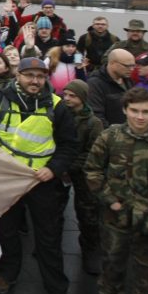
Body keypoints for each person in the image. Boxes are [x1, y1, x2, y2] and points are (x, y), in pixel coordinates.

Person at [0, 56, 77, 294]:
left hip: (40, 181)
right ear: (18, 76)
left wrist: (53, 169)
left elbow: (69, 145)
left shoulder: (57, 106)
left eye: (40, 76)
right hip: (7, 179)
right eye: (30, 75)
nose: (35, 81)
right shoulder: (0, 100)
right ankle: (8, 274)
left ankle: (56, 288)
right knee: (8, 230)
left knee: (48, 236)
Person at [85, 87, 148, 294]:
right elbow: (93, 171)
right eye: (134, 110)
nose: (140, 117)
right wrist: (111, 201)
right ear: (125, 110)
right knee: (111, 274)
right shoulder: (109, 137)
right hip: (114, 221)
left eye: (146, 112)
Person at [60, 78, 103, 275]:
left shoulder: (94, 123)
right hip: (60, 168)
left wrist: (70, 167)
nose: (67, 99)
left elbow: (92, 151)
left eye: (72, 96)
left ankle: (90, 249)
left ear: (83, 98)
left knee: (87, 212)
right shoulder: (60, 115)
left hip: (81, 172)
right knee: (54, 210)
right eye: (66, 94)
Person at [87, 48, 135, 126]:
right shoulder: (95, 84)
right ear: (112, 63)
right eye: (127, 66)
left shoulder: (128, 81)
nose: (131, 69)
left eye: (133, 66)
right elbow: (96, 116)